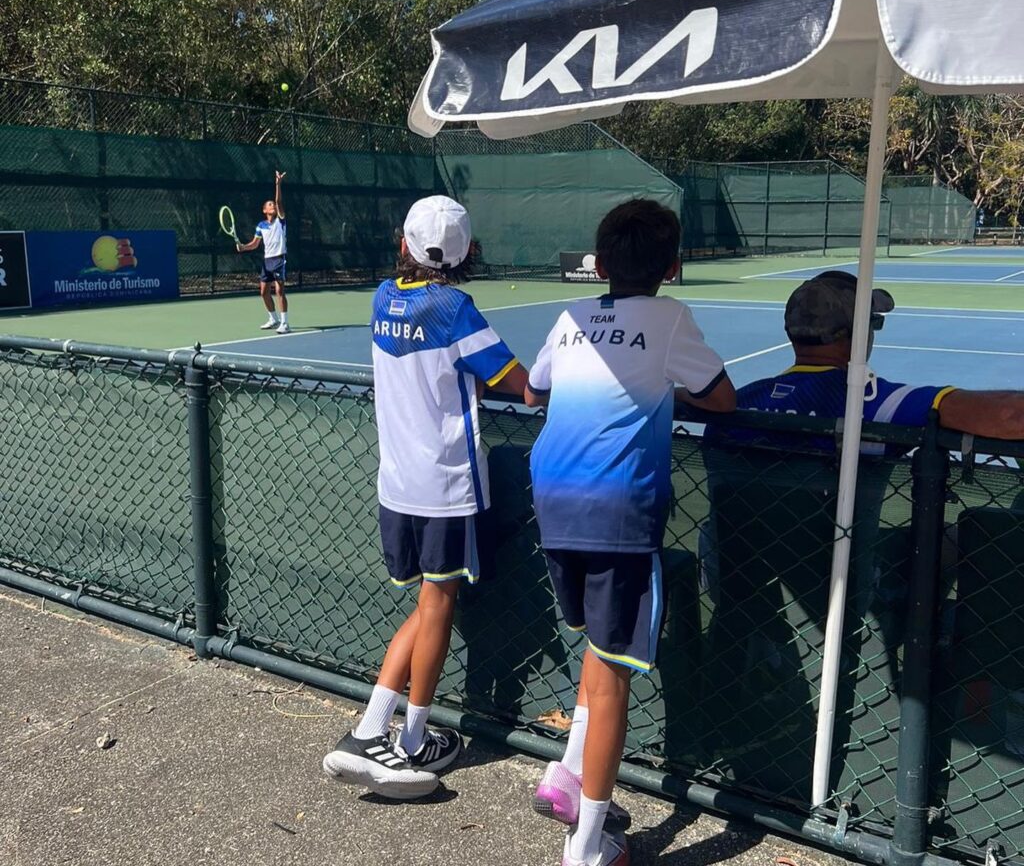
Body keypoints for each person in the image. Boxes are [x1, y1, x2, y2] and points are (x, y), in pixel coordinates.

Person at [524, 199, 736, 866]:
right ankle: (588, 846)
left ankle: (565, 773)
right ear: (672, 267)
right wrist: (664, 389)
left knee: (598, 643)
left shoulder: (570, 317)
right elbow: (722, 397)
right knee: (616, 670)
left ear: (599, 265)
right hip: (618, 510)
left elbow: (534, 391)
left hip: (553, 501)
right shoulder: (671, 317)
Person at [322, 195, 529, 799]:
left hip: (396, 485)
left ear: (405, 243)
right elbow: (520, 386)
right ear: (467, 253)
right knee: (439, 604)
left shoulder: (383, 297)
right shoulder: (456, 308)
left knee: (426, 602)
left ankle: (376, 730)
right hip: (446, 486)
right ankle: (404, 739)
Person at [727, 270, 1024, 440]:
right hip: (848, 549)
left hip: (738, 549)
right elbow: (1010, 416)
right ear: (857, 332)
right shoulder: (878, 404)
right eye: (873, 322)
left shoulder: (737, 404)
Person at [235, 170, 289, 334]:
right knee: (263, 291)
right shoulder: (261, 225)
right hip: (267, 261)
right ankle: (273, 319)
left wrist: (278, 184)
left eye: (274, 205)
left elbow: (279, 201)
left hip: (279, 259)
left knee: (280, 290)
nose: (273, 206)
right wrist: (243, 247)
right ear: (264, 210)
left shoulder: (281, 220)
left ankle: (285, 323)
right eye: (270, 205)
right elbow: (255, 244)